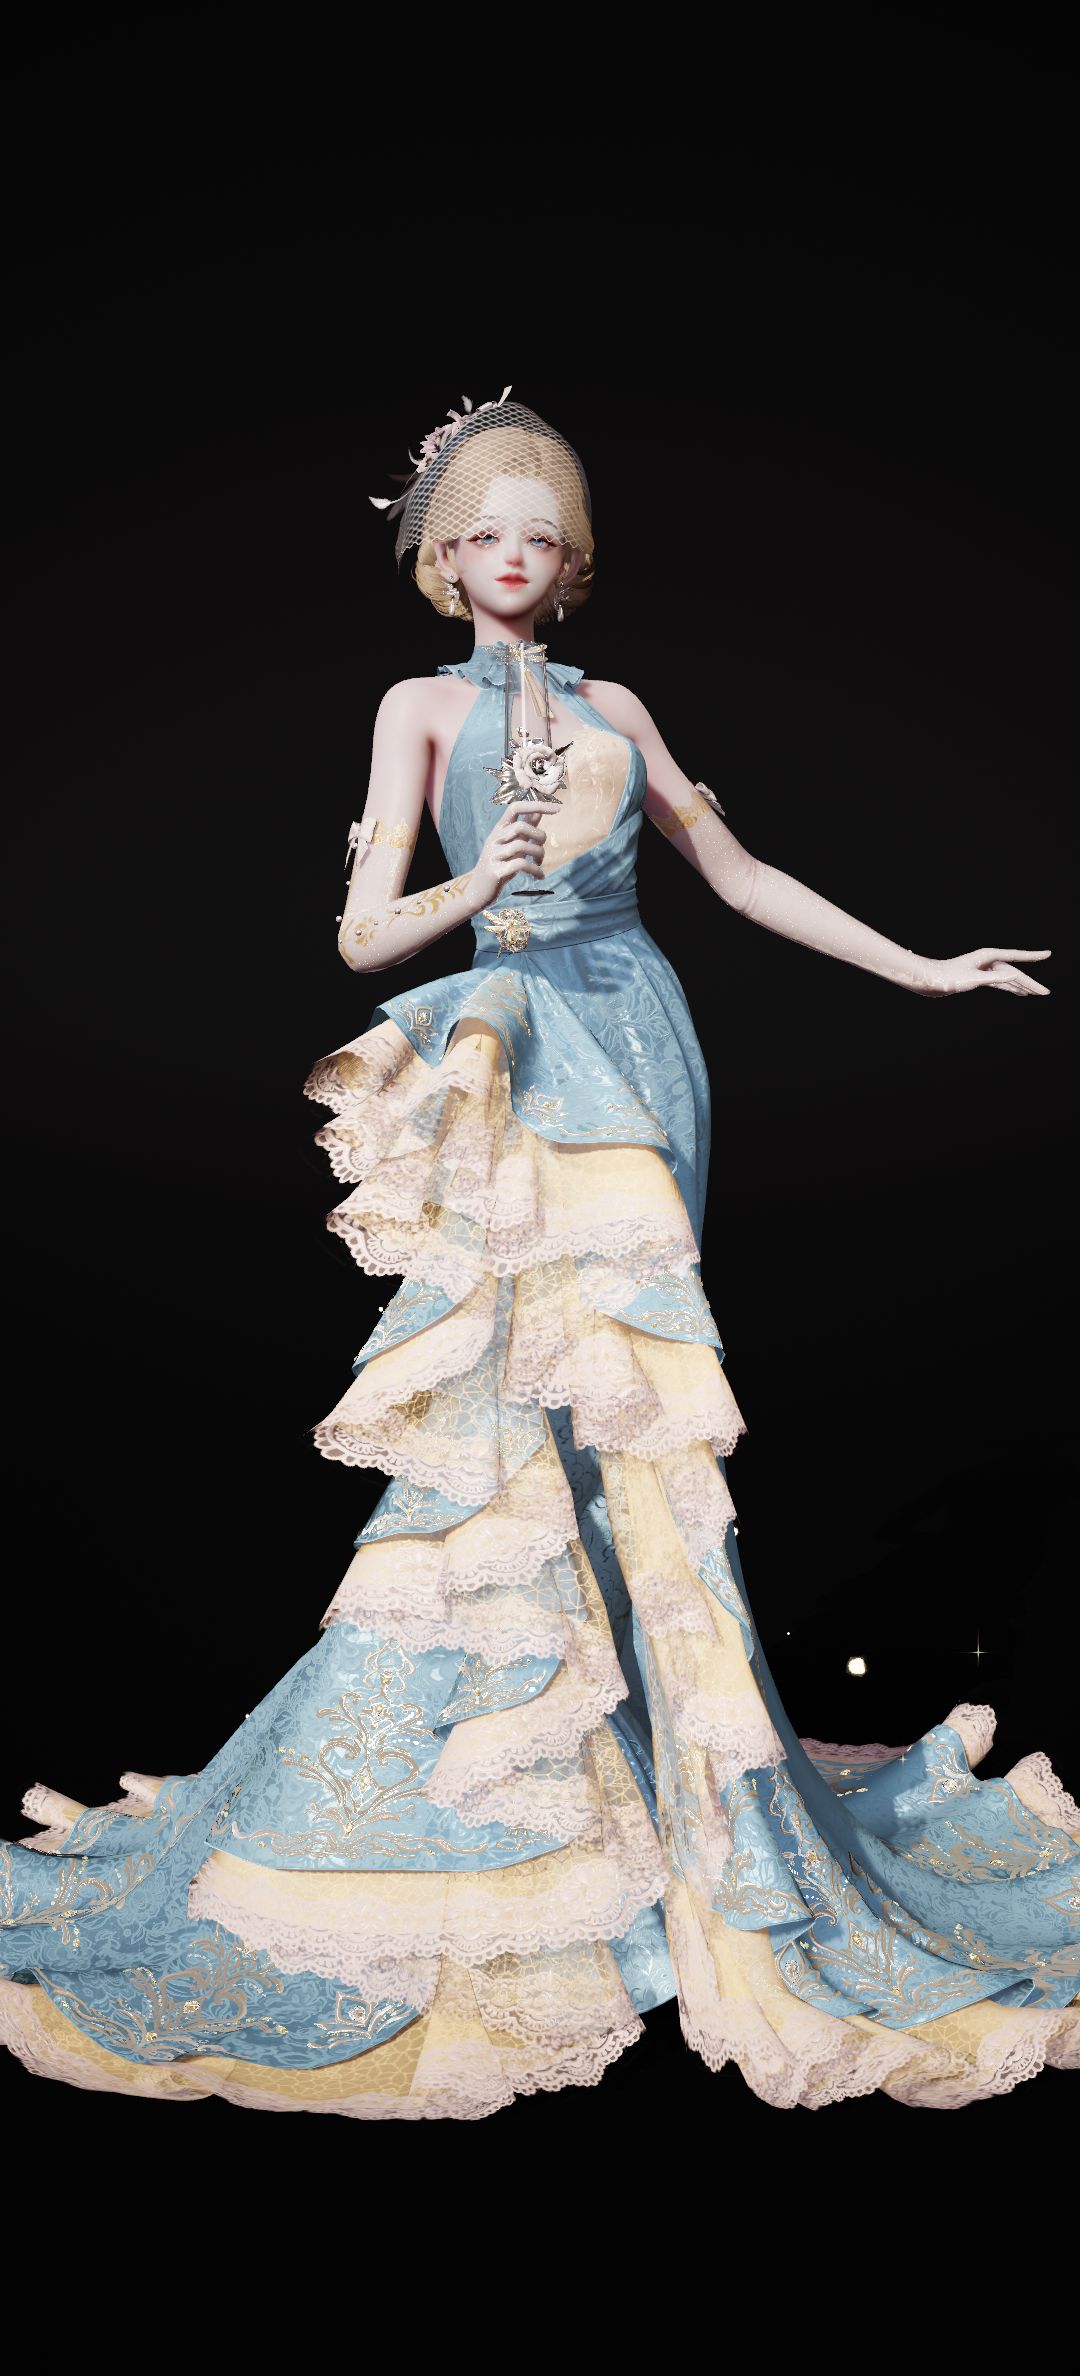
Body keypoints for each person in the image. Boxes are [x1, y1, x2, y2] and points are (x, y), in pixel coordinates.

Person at [2, 392, 1076, 2119]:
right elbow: (362, 937)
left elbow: (739, 875)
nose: (514, 556)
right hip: (517, 1047)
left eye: (542, 536)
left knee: (632, 1420)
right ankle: (525, 1807)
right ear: (445, 560)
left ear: (570, 565)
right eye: (485, 533)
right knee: (511, 1424)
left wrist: (923, 966)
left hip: (641, 1047)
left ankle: (671, 1795)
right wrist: (476, 880)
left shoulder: (619, 707)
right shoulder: (415, 706)